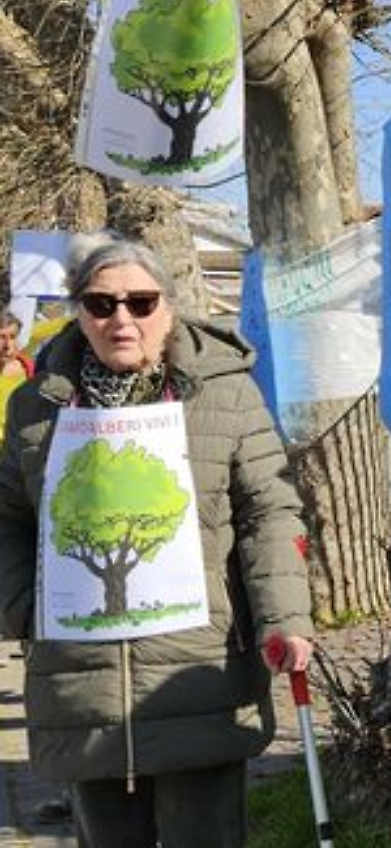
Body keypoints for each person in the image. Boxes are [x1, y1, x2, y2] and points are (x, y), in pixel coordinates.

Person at [0, 234, 315, 848]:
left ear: (169, 309)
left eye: (141, 303)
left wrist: (285, 619)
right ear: (79, 313)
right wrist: (24, 609)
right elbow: (6, 516)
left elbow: (269, 511)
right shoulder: (36, 407)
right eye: (101, 303)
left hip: (198, 670)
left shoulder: (224, 391)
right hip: (80, 681)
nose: (122, 318)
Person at [0, 309, 34, 439]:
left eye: (13, 337)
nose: (8, 345)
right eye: (1, 337)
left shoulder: (27, 368)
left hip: (15, 450)